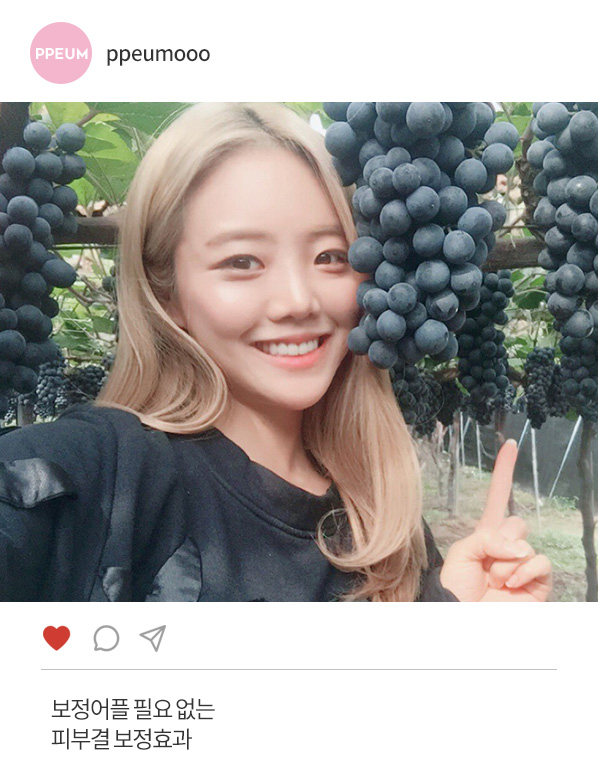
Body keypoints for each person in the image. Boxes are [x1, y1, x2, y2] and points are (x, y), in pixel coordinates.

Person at [0, 102, 552, 603]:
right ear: (168, 294)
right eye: (241, 261)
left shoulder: (385, 522)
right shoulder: (97, 476)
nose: (297, 301)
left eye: (331, 256)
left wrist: (453, 618)